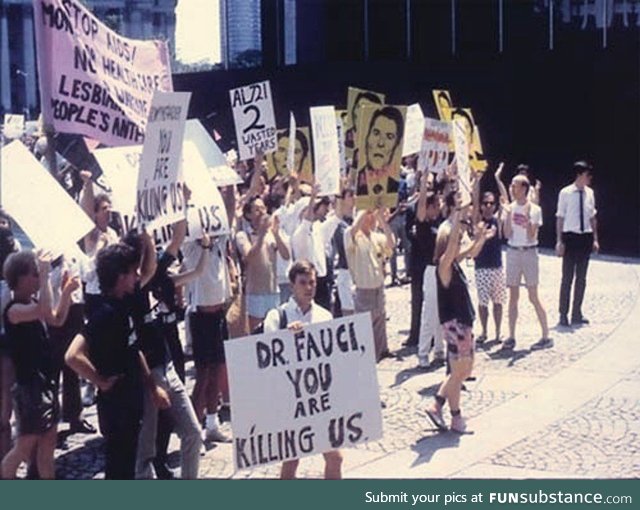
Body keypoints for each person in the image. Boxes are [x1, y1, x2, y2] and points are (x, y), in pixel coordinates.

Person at [65, 243, 171, 479]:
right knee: (118, 470)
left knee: (127, 466)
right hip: (117, 407)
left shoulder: (125, 305)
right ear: (120, 276)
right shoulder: (104, 313)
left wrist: (152, 387)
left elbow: (134, 348)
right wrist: (99, 381)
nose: (136, 277)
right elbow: (73, 355)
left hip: (132, 401)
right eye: (132, 272)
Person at [1, 250, 79, 479]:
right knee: (23, 448)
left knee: (47, 448)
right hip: (31, 388)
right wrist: (45, 276)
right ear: (20, 278)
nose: (37, 277)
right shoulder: (13, 310)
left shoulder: (34, 302)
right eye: (33, 274)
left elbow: (55, 318)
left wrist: (66, 293)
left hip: (45, 385)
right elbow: (44, 311)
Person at [262, 260, 342, 479]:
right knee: (292, 460)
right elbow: (267, 356)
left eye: (313, 282)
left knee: (335, 458)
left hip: (317, 398)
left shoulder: (324, 316)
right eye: (303, 283)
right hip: (290, 400)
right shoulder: (277, 316)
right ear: (292, 285)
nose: (309, 288)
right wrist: (285, 337)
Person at [425, 207, 494, 433]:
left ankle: (455, 418)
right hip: (456, 325)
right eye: (456, 240)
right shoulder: (444, 265)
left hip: (462, 322)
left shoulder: (454, 262)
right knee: (460, 372)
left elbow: (471, 251)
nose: (461, 241)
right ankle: (437, 403)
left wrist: (481, 238)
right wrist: (456, 222)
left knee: (459, 372)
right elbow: (456, 244)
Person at [503, 175, 552, 350]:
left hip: (529, 252)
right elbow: (507, 233)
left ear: (524, 188)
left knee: (533, 296)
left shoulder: (535, 209)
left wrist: (528, 217)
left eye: (515, 186)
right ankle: (511, 336)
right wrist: (508, 215)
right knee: (513, 297)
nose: (512, 189)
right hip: (513, 252)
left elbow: (532, 234)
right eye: (512, 185)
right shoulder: (509, 208)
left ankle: (546, 335)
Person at [344, 208, 395, 361]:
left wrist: (382, 220)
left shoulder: (377, 237)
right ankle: (364, 361)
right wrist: (364, 209)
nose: (371, 219)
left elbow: (391, 244)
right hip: (363, 290)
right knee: (363, 331)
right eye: (369, 216)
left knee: (379, 326)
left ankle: (379, 356)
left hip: (378, 289)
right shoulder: (352, 237)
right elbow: (352, 229)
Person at [236, 196, 290, 332]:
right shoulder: (243, 235)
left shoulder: (271, 234)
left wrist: (276, 234)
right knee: (257, 333)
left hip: (273, 291)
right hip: (255, 293)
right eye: (256, 209)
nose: (261, 212)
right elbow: (250, 257)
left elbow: (286, 255)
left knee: (275, 330)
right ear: (248, 214)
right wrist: (260, 235)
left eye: (263, 208)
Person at [556, 161, 599, 327]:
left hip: (585, 237)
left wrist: (595, 238)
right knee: (567, 278)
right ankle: (563, 313)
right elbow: (560, 217)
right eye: (587, 175)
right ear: (580, 175)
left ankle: (577, 312)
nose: (590, 178)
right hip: (571, 237)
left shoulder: (590, 193)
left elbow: (592, 217)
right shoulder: (565, 193)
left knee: (581, 278)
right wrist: (559, 240)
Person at [291, 186, 340, 311]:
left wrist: (340, 194)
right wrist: (312, 197)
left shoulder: (318, 229)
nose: (315, 210)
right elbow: (306, 223)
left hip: (322, 282)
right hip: (307, 283)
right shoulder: (299, 234)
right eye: (311, 208)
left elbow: (336, 218)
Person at [472, 189, 506, 343]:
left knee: (498, 302)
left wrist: (498, 180)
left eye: (492, 203)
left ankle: (498, 331)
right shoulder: (478, 222)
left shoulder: (497, 220)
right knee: (483, 302)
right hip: (482, 266)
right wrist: (476, 181)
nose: (488, 206)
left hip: (497, 266)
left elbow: (505, 198)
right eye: (485, 203)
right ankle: (484, 331)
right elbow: (473, 198)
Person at [355, 107, 404, 207]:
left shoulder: (394, 187)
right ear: (367, 137)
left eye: (389, 137)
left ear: (396, 145)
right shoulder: (354, 183)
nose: (381, 143)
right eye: (376, 133)